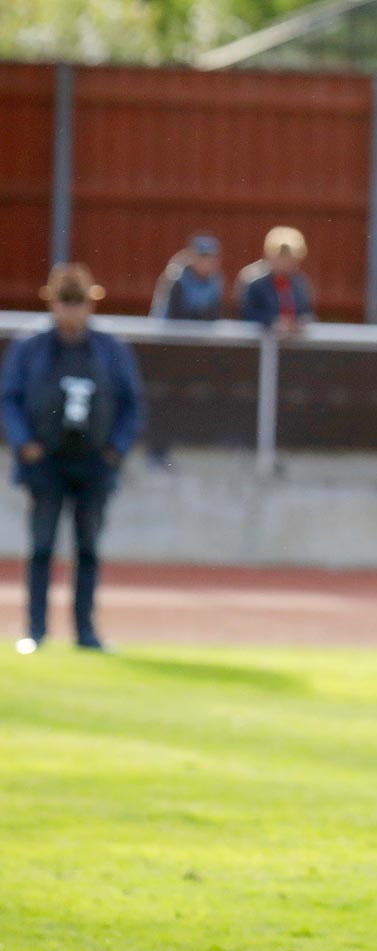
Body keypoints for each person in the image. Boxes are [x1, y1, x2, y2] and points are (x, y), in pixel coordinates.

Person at [1, 263, 143, 654]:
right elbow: (9, 397)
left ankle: (86, 631)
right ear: (53, 305)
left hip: (94, 461)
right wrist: (22, 441)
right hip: (45, 461)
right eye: (64, 303)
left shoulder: (110, 349)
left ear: (89, 305)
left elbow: (132, 403)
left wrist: (117, 447)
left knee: (88, 549)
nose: (71, 312)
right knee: (42, 547)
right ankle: (36, 630)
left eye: (78, 303)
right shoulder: (31, 347)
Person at [236, 225, 314, 333]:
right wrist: (272, 322)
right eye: (281, 257)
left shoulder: (299, 283)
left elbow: (306, 312)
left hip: (293, 343)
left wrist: (299, 323)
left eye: (290, 258)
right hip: (258, 343)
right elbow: (246, 314)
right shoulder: (253, 281)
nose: (286, 263)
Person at [150, 232, 225, 321]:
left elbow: (213, 313)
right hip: (172, 327)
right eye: (203, 257)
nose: (208, 262)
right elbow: (170, 313)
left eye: (212, 258)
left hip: (200, 330)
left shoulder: (215, 281)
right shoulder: (177, 278)